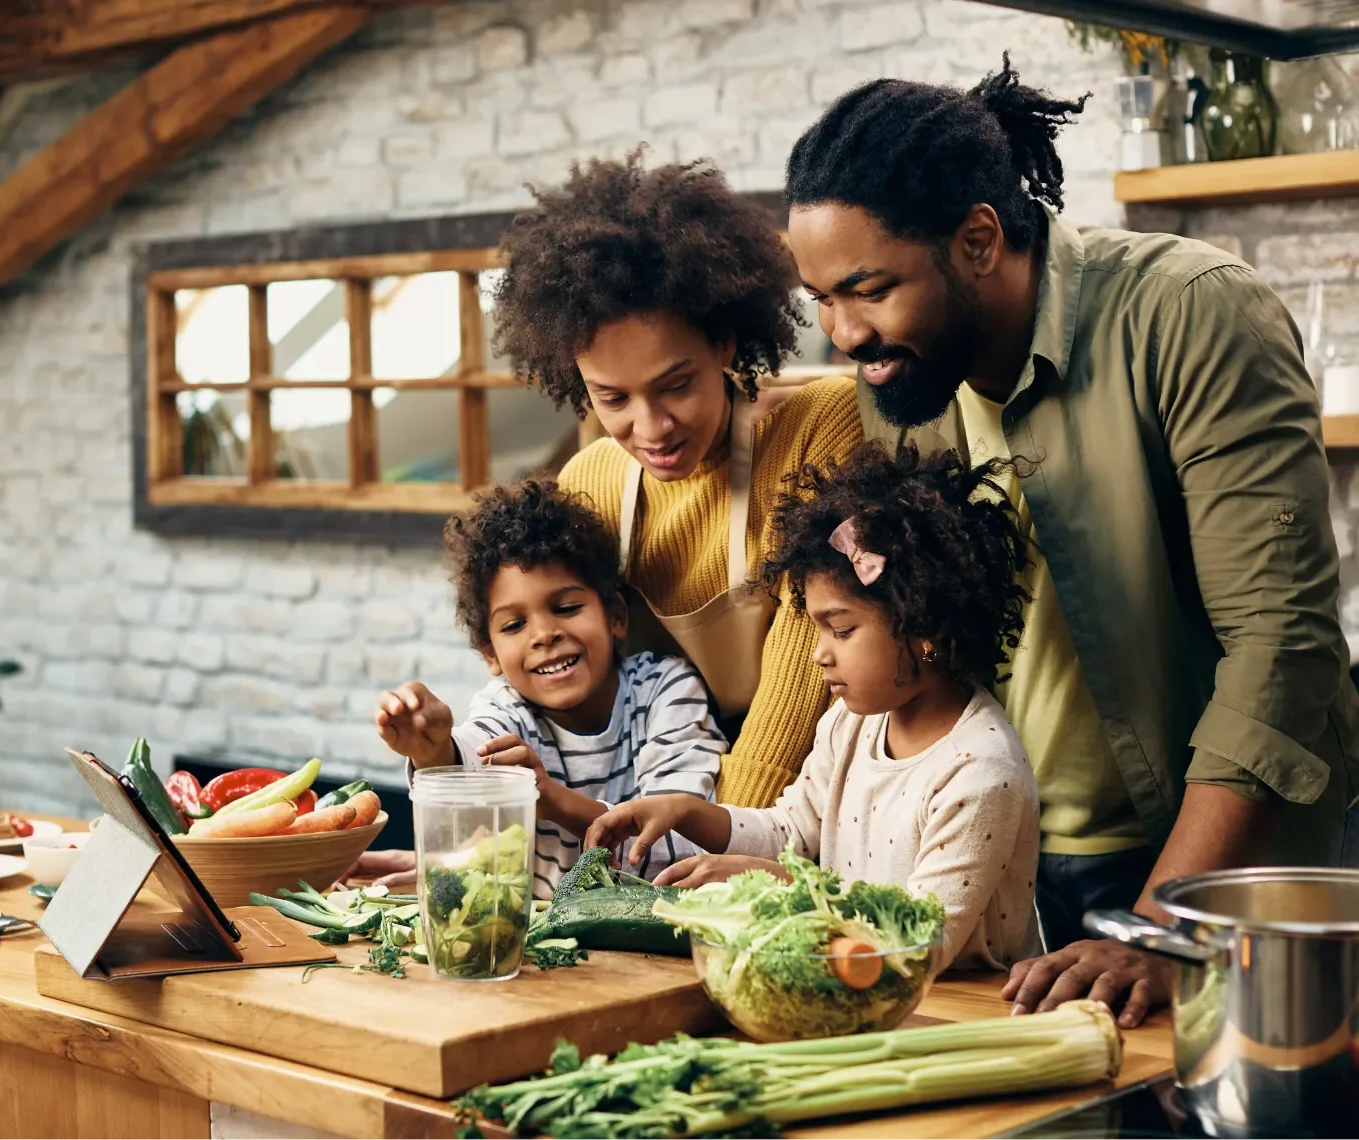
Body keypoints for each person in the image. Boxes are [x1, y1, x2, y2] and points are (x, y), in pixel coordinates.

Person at [782, 54, 1359, 1027]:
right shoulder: (906, 386)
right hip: (1019, 862)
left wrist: (1161, 927)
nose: (844, 331)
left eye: (869, 289)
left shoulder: (1190, 312)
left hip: (1217, 876)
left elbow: (1282, 649)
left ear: (977, 241)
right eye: (822, 299)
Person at [490, 152, 864, 812]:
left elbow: (800, 669)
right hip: (662, 805)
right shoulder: (592, 482)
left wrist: (722, 842)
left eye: (676, 385)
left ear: (724, 342)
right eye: (613, 398)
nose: (651, 427)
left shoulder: (820, 430)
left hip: (814, 801)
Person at [586, 443, 1041, 970]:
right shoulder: (851, 723)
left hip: (959, 1013)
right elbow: (789, 834)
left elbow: (920, 943)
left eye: (842, 630)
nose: (820, 654)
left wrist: (790, 890)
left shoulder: (981, 772)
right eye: (817, 628)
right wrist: (688, 812)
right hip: (856, 995)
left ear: (925, 626)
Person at [371, 478, 726, 895]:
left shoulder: (667, 690)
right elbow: (469, 761)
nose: (543, 634)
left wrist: (554, 800)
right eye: (514, 625)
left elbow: (685, 844)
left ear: (615, 616)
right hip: (543, 942)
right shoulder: (507, 709)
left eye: (567, 608)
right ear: (491, 654)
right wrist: (432, 751)